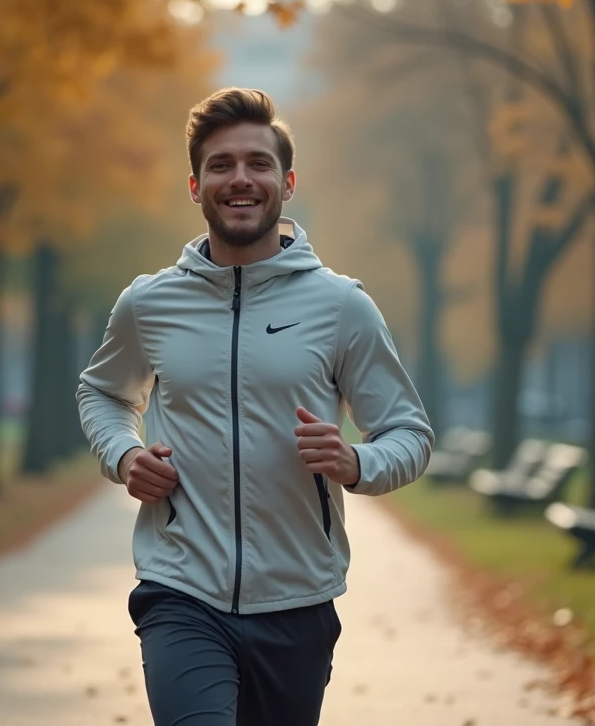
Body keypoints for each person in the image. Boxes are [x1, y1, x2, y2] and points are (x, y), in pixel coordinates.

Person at [76, 87, 434, 725]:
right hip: (180, 591)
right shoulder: (149, 303)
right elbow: (102, 392)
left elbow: (409, 432)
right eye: (221, 164)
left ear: (286, 182)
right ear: (195, 186)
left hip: (297, 601)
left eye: (258, 163)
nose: (240, 179)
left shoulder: (342, 306)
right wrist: (124, 453)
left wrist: (355, 462)